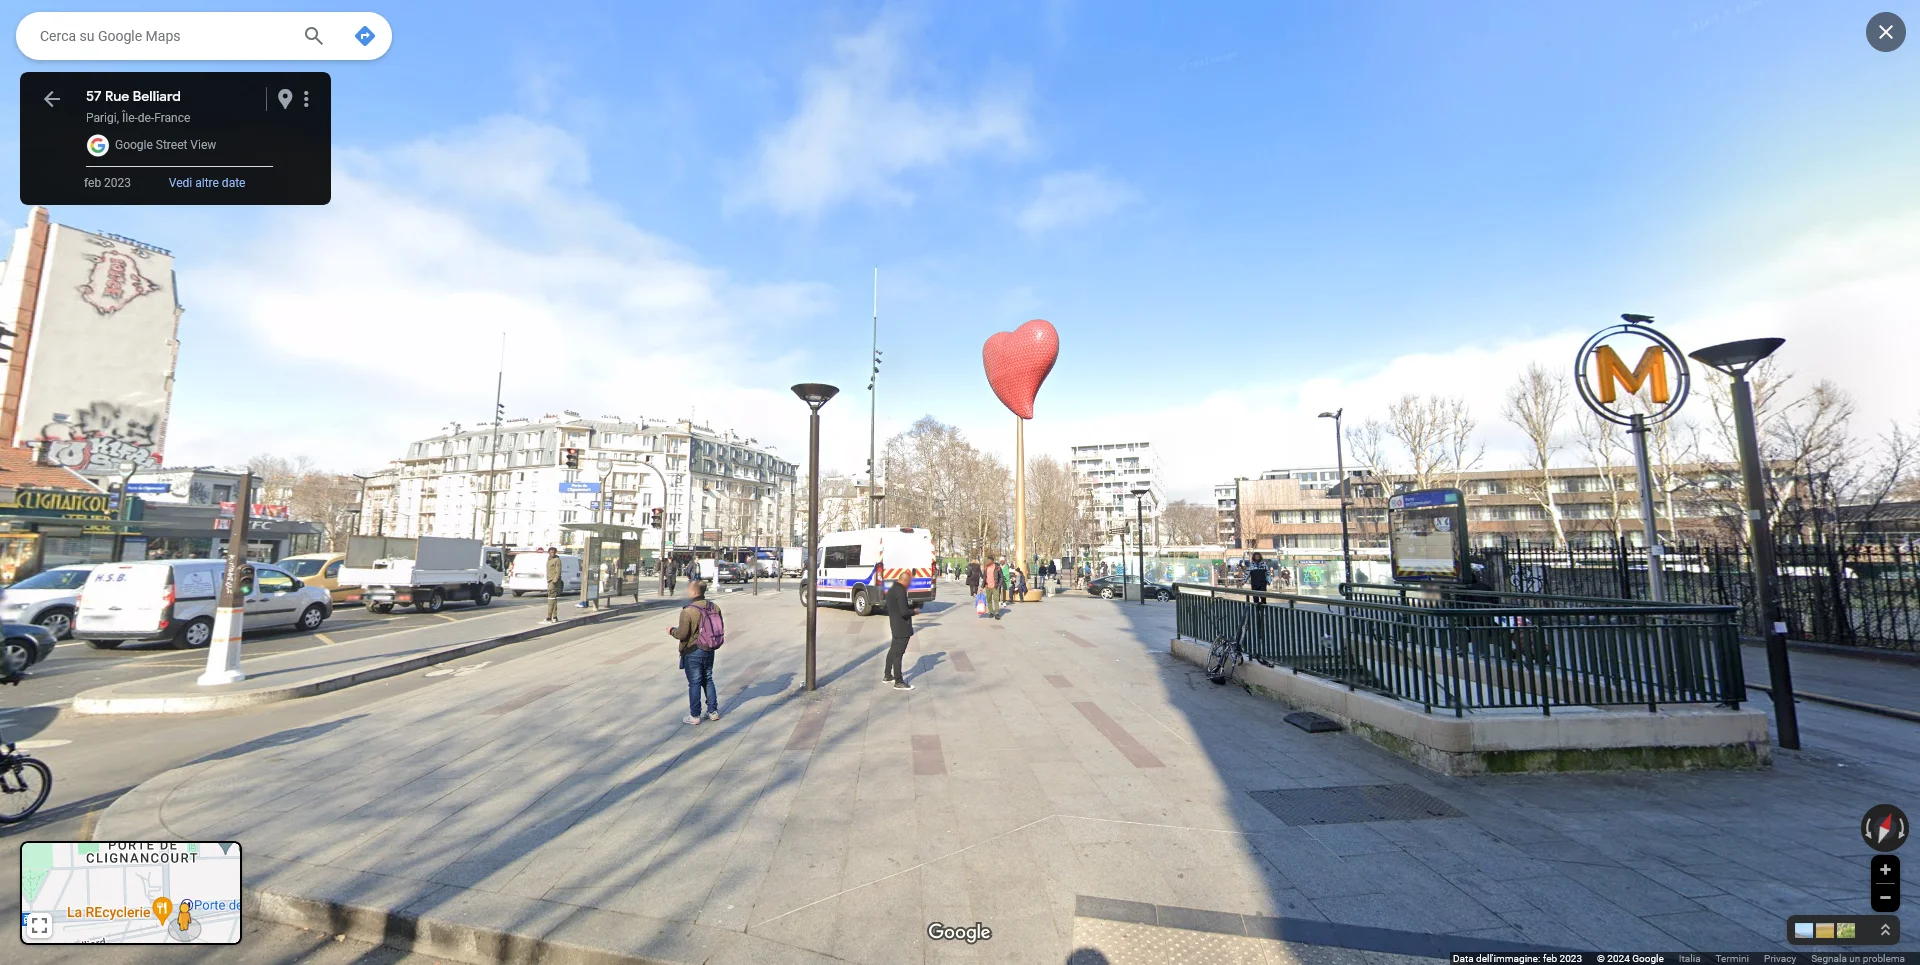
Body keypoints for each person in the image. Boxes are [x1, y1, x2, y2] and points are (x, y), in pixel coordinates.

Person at [668, 579, 723, 724]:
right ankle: (713, 711)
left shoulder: (688, 611)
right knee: (708, 679)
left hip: (693, 651)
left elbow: (682, 634)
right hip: (710, 648)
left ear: (694, 591)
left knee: (695, 682)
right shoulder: (714, 607)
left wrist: (671, 630)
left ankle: (695, 715)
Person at [883, 574, 915, 690]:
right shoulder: (901, 591)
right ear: (905, 581)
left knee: (893, 650)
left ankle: (887, 675)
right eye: (909, 583)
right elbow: (904, 612)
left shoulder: (892, 589)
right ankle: (898, 681)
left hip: (894, 625)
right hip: (902, 627)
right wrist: (914, 611)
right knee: (898, 654)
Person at [544, 548, 563, 622]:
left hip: (553, 581)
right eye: (551, 552)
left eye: (554, 552)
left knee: (551, 598)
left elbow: (558, 571)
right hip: (549, 580)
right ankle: (554, 616)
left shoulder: (557, 560)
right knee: (553, 599)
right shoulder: (549, 559)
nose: (552, 553)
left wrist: (554, 581)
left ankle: (549, 616)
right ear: (548, 552)